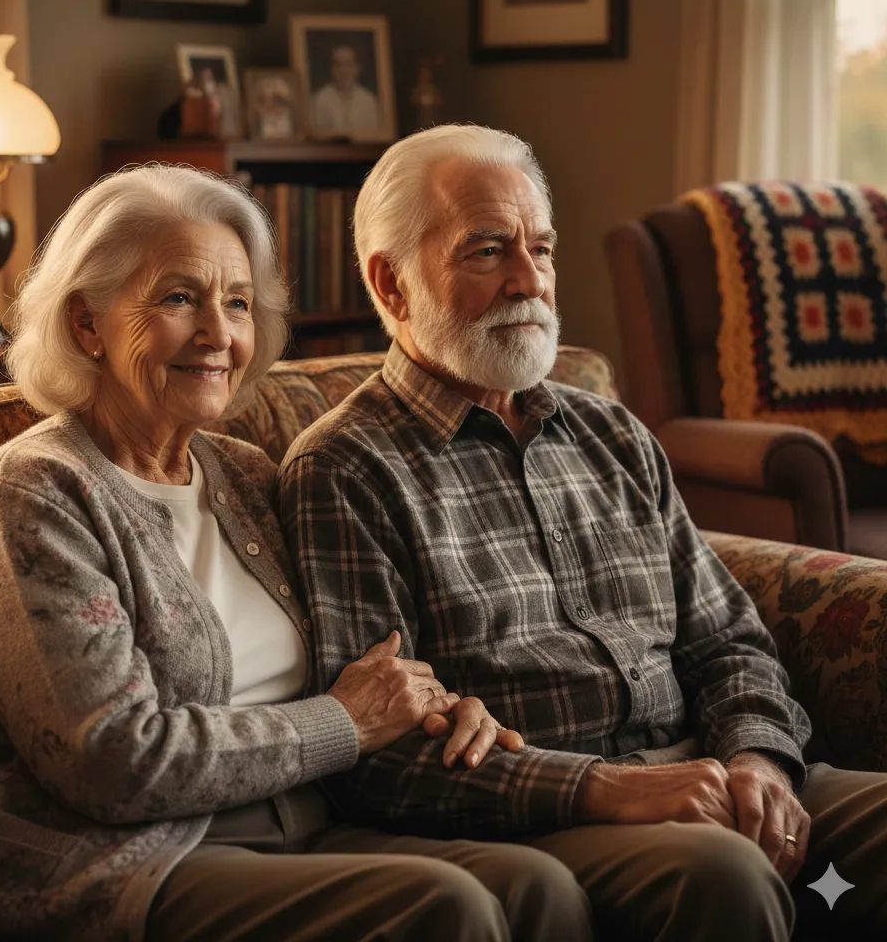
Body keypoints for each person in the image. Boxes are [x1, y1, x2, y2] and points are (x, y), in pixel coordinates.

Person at [0, 163, 595, 942]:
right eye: (179, 298)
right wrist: (344, 723)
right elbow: (110, 760)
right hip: (128, 860)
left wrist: (438, 707)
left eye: (239, 302)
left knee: (538, 885)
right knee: (446, 907)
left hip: (307, 823)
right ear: (87, 324)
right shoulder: (35, 493)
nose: (219, 333)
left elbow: (359, 669)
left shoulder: (245, 476)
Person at [278, 124, 887, 942]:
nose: (529, 280)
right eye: (488, 251)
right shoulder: (345, 469)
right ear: (392, 283)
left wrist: (759, 758)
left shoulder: (613, 433)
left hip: (712, 769)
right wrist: (606, 788)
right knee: (722, 872)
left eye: (541, 248)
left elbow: (728, 642)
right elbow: (378, 754)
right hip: (551, 818)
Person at [310, 43, 380, 134]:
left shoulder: (368, 100)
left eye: (348, 64)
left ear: (358, 68)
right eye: (338, 65)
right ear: (331, 69)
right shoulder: (320, 99)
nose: (343, 70)